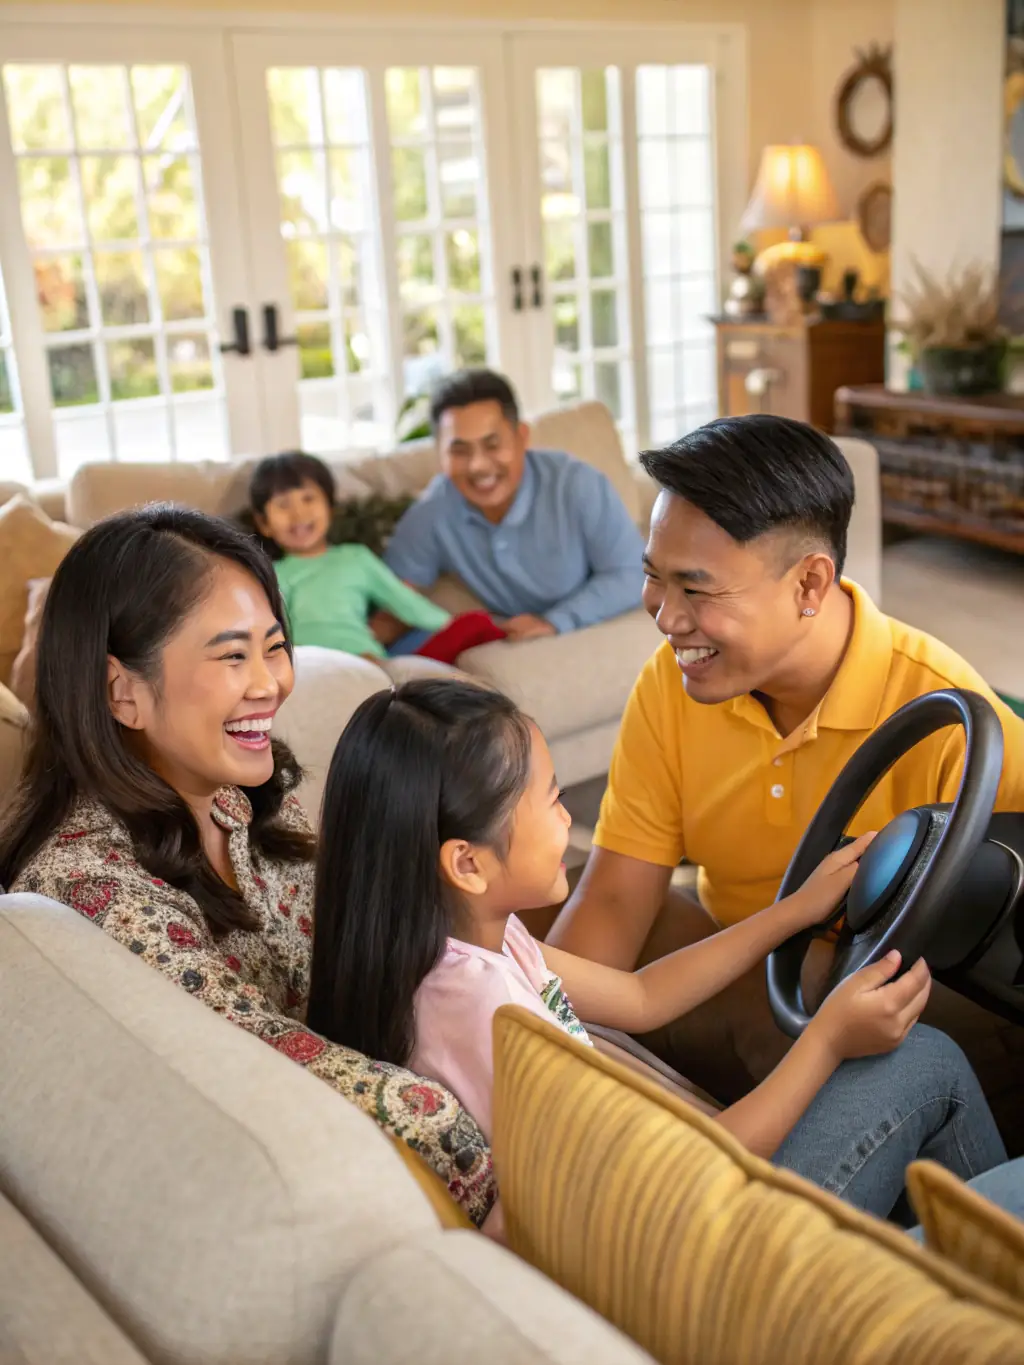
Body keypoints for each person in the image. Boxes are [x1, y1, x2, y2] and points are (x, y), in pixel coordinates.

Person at [307, 677, 1006, 1238]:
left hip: (660, 1211)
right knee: (929, 1063)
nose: (565, 822)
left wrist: (792, 911)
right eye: (551, 803)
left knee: (917, 1065)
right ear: (466, 862)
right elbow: (687, 1165)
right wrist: (827, 1040)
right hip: (691, 1253)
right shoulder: (483, 1012)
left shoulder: (467, 946)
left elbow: (642, 996)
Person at [0, 504, 494, 1225]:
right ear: (121, 691)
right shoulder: (90, 888)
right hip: (322, 1186)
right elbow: (267, 1067)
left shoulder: (242, 797)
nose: (272, 682)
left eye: (274, 645)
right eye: (233, 655)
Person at [548, 414, 1024, 1121]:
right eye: (653, 577)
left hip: (876, 1005)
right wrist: (535, 1057)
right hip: (733, 955)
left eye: (697, 589)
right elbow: (616, 899)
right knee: (525, 879)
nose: (664, 616)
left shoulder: (947, 715)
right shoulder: (671, 685)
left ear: (809, 584)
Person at [382, 368, 644, 645]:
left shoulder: (576, 484)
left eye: (492, 445)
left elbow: (631, 573)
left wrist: (555, 621)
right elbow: (394, 598)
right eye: (459, 451)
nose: (478, 466)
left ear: (522, 436)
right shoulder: (433, 511)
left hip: (610, 622)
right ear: (440, 453)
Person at [249, 451, 505, 664]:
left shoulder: (356, 558)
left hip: (369, 657)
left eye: (308, 499)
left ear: (330, 507)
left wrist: (450, 626)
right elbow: (273, 633)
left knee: (474, 623)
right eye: (283, 505)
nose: (298, 514)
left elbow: (405, 602)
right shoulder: (273, 574)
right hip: (312, 662)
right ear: (264, 523)